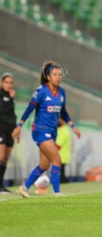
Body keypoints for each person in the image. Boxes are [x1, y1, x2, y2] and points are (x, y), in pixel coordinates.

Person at [12, 61, 81, 198]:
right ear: (48, 77)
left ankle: (24, 188)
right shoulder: (41, 91)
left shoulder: (61, 92)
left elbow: (63, 112)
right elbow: (29, 109)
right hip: (40, 130)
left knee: (44, 165)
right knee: (57, 159)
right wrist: (19, 125)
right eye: (55, 74)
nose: (58, 77)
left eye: (60, 74)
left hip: (52, 131)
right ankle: (57, 193)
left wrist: (72, 126)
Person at [0, 72, 17, 193]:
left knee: (5, 158)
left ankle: (1, 185)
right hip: (0, 129)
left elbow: (12, 114)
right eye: (6, 82)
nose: (9, 85)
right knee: (0, 156)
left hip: (10, 130)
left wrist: (17, 129)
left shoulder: (11, 96)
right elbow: (2, 110)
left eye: (11, 83)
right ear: (1, 83)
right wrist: (10, 98)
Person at [56, 117, 72, 183]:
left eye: (59, 119)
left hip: (61, 156)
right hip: (61, 156)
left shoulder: (63, 131)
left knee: (60, 176)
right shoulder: (61, 130)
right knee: (61, 174)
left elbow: (58, 146)